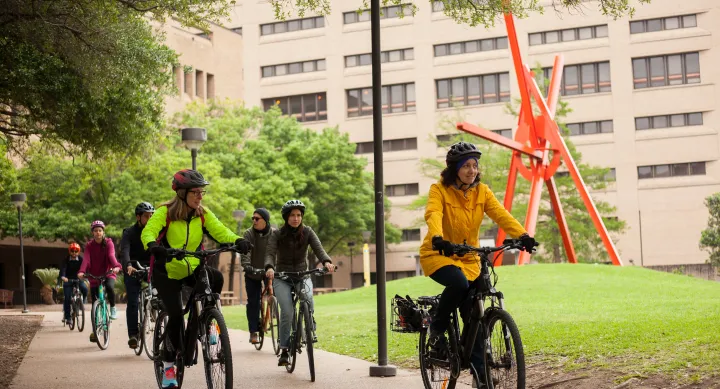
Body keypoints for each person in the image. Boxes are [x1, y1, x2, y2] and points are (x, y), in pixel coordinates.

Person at [420, 141, 537, 386]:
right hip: (439, 254)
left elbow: (500, 213)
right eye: (466, 166)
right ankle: (436, 326)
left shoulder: (482, 191)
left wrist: (523, 235)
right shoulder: (438, 189)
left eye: (475, 165)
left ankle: (481, 376)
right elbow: (433, 214)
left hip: (470, 258)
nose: (472, 170)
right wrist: (438, 238)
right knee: (460, 284)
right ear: (454, 169)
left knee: (474, 314)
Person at [141, 169, 252, 389]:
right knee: (174, 315)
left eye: (202, 192)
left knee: (216, 278)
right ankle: (170, 364)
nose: (200, 196)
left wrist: (238, 240)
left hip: (192, 266)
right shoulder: (165, 212)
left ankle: (205, 321)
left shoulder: (202, 213)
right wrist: (154, 246)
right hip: (168, 270)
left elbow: (221, 232)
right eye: (196, 192)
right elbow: (148, 232)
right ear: (181, 193)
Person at [264, 199, 335, 367]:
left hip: (302, 275)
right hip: (282, 277)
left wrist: (326, 262)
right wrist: (269, 267)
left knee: (309, 299)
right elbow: (270, 253)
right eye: (292, 215)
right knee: (287, 311)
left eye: (298, 215)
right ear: (286, 217)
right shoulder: (277, 234)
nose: (296, 218)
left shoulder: (308, 232)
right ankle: (285, 350)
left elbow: (319, 249)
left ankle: (310, 325)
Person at [78, 220, 122, 343]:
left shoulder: (108, 243)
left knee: (109, 286)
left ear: (103, 232)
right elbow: (86, 259)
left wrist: (116, 266)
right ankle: (94, 331)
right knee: (94, 305)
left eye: (100, 230)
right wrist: (82, 271)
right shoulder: (89, 245)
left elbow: (111, 255)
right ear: (92, 233)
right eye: (95, 231)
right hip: (94, 276)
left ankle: (113, 307)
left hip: (108, 273)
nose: (98, 233)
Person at [120, 201, 155, 349]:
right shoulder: (129, 232)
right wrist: (128, 264)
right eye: (146, 216)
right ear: (138, 217)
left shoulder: (155, 231)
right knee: (133, 301)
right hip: (133, 268)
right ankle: (133, 335)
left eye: (151, 216)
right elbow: (125, 250)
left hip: (150, 266)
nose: (149, 219)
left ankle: (159, 319)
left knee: (159, 292)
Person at [240, 208, 277, 344]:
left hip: (269, 270)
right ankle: (253, 331)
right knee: (254, 301)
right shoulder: (248, 234)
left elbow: (275, 252)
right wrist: (247, 266)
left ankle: (274, 310)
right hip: (253, 272)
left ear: (265, 221)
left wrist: (274, 267)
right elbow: (245, 253)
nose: (254, 221)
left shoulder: (274, 234)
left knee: (278, 288)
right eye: (253, 218)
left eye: (257, 219)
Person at [60, 243, 88, 327]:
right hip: (68, 280)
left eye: (76, 251)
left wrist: (84, 274)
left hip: (78, 279)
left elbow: (84, 268)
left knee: (85, 289)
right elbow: (63, 269)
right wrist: (63, 276)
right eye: (72, 251)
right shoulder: (66, 260)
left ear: (78, 252)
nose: (74, 253)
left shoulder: (81, 259)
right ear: (69, 251)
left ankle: (81, 303)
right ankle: (68, 317)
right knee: (67, 298)